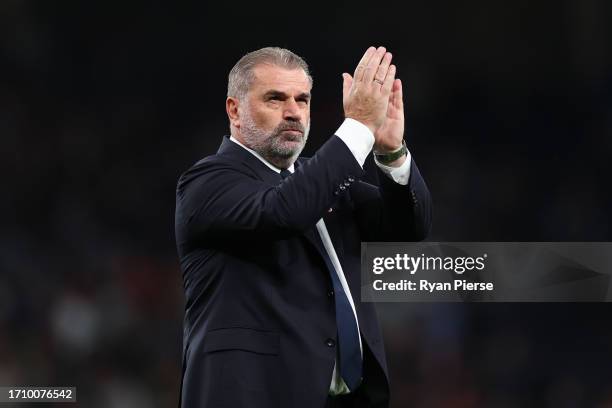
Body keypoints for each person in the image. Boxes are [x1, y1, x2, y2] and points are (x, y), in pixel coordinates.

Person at [174, 46, 432, 408]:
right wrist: (357, 127)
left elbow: (410, 227)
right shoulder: (206, 182)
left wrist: (389, 151)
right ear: (235, 110)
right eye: (275, 98)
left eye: (302, 99)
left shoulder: (324, 181)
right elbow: (285, 210)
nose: (294, 112)